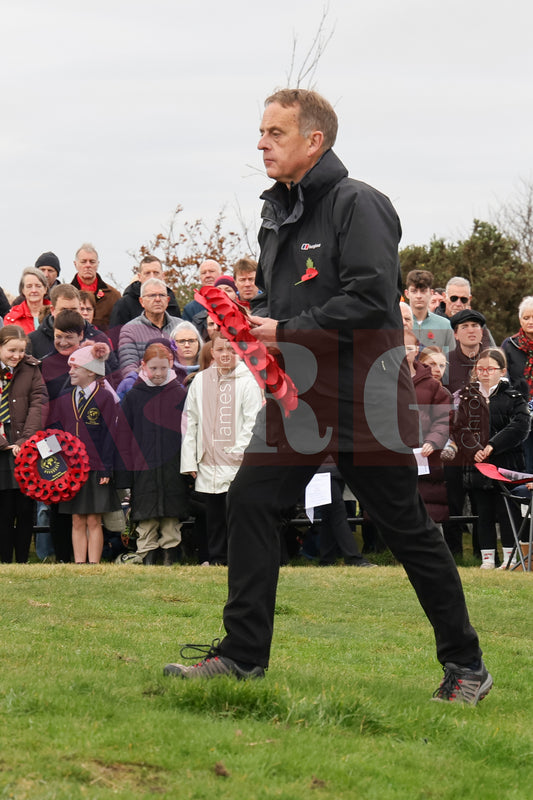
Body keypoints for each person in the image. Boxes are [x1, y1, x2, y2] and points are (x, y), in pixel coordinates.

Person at [164, 88, 491, 705]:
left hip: (366, 395)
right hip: (297, 398)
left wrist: (284, 330)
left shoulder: (359, 203)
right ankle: (241, 657)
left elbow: (369, 301)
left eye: (275, 133)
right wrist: (249, 317)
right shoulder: (275, 213)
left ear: (313, 141)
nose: (261, 143)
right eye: (261, 131)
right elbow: (287, 301)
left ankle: (466, 665)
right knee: (250, 500)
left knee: (406, 528)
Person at [180, 333, 262, 564]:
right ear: (212, 352)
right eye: (220, 349)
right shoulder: (200, 381)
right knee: (214, 514)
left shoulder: (248, 381)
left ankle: (241, 558)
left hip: (237, 462)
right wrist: (189, 459)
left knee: (238, 513)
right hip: (208, 460)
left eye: (231, 349)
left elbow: (252, 422)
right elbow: (190, 421)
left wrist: (238, 453)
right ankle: (217, 558)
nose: (226, 354)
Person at [447, 348, 530, 569]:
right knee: (482, 512)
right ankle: (488, 559)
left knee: (507, 511)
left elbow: (520, 426)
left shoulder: (514, 397)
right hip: (477, 465)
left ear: (502, 371)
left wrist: (493, 445)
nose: (485, 373)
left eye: (490, 369)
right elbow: (458, 427)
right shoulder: (466, 396)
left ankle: (511, 558)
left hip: (506, 464)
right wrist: (474, 449)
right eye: (481, 369)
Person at [119, 342, 189, 565]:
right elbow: (123, 436)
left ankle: (170, 553)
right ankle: (146, 553)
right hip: (143, 468)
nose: (158, 373)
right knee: (146, 515)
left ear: (171, 365)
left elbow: (189, 432)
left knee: (171, 516)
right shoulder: (133, 396)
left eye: (163, 368)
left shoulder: (179, 394)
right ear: (143, 366)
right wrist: (125, 472)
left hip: (173, 467)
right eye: (153, 368)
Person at [51, 342, 121, 563]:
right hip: (71, 470)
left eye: (76, 368)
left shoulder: (105, 398)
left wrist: (106, 468)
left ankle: (93, 564)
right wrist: (52, 460)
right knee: (77, 519)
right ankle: (79, 564)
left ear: (91, 371)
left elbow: (110, 436)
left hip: (96, 468)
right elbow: (54, 431)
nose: (70, 372)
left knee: (93, 520)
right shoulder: (64, 398)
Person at [0, 325, 47, 562]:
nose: (17, 356)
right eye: (11, 350)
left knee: (25, 505)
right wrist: (3, 442)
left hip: (24, 442)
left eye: (21, 350)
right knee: (4, 507)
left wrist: (25, 440)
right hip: (2, 443)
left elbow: (38, 404)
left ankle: (22, 560)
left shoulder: (31, 368)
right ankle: (4, 559)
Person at [404, 331, 452, 526]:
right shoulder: (383, 381)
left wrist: (433, 441)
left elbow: (444, 418)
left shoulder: (432, 386)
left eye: (408, 348)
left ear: (416, 350)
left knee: (428, 513)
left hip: (425, 458)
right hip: (393, 457)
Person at [108, 255, 181, 345]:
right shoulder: (124, 304)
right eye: (147, 273)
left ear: (163, 276)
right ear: (139, 277)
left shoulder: (171, 303)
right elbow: (115, 340)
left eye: (156, 273)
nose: (152, 277)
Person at [118, 278, 176, 378]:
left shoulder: (180, 326)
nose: (157, 299)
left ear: (168, 300)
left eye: (162, 295)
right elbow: (129, 369)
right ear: (141, 301)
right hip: (144, 383)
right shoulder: (130, 330)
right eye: (152, 295)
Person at [501, 296, 533, 471]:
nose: (530, 321)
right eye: (526, 317)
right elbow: (504, 377)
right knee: (524, 461)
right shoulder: (509, 344)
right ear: (520, 320)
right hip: (519, 411)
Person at [70, 243, 121, 332]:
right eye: (83, 262)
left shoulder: (113, 296)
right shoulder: (66, 295)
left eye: (92, 262)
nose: (88, 265)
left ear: (97, 264)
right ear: (75, 264)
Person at [403, 269, 456, 354]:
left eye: (423, 291)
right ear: (407, 293)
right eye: (414, 291)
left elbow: (451, 358)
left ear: (431, 293)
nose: (418, 296)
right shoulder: (398, 324)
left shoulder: (444, 325)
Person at [4, 267, 51, 334]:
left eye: (38, 286)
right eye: (29, 286)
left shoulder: (55, 312)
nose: (34, 290)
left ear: (45, 289)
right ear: (23, 290)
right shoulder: (12, 318)